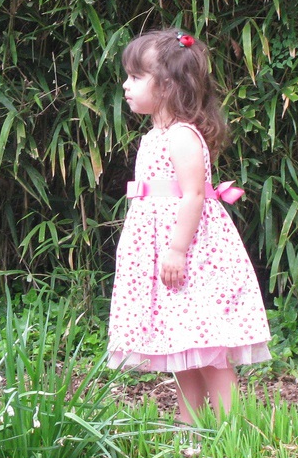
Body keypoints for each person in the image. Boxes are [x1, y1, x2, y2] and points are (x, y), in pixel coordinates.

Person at [107, 28, 271, 425]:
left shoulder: (181, 136)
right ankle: (190, 427)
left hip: (191, 257)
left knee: (209, 348)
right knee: (182, 345)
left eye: (135, 77)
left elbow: (194, 195)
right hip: (163, 256)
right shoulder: (153, 137)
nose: (126, 86)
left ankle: (234, 431)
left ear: (166, 85)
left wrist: (177, 249)